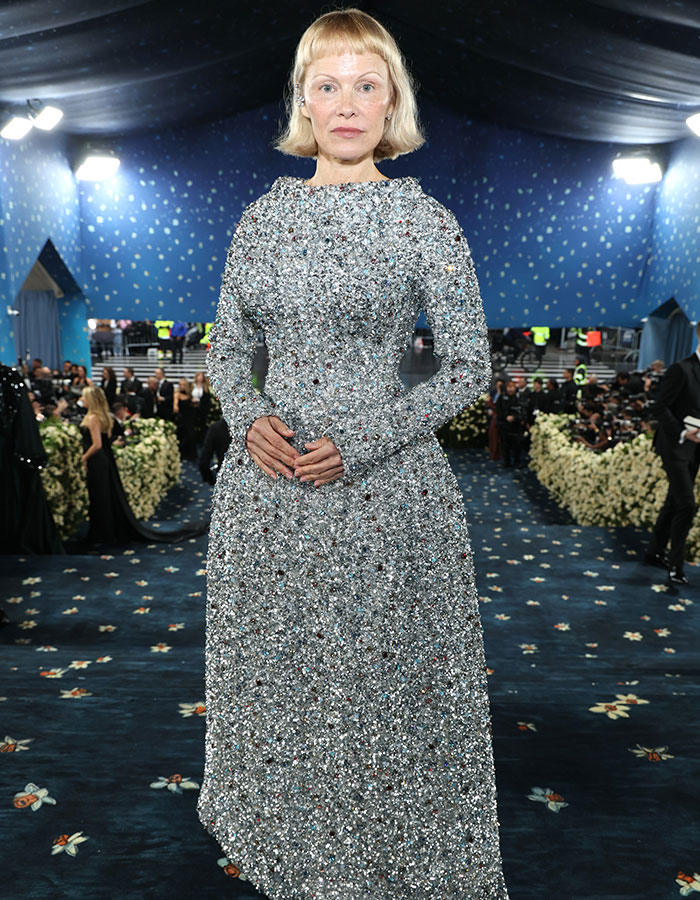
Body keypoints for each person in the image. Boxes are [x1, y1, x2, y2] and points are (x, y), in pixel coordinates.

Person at [197, 10, 511, 900]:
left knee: (379, 686)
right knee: (284, 680)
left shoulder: (425, 223)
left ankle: (383, 859)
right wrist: (248, 413)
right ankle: (288, 844)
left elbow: (467, 366)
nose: (346, 104)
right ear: (303, 98)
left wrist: (362, 442)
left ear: (391, 101)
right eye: (327, 84)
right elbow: (226, 350)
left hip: (385, 490)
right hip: (267, 490)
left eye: (365, 84)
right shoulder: (259, 220)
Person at [79, 386, 207, 545]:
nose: (81, 399)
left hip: (97, 461)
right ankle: (104, 532)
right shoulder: (103, 416)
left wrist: (83, 458)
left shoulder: (92, 418)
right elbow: (108, 438)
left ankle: (101, 533)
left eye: (84, 397)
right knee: (104, 497)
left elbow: (97, 444)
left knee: (100, 498)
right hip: (105, 460)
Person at [644, 322, 700, 586]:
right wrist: (681, 432)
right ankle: (675, 565)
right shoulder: (682, 369)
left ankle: (655, 550)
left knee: (674, 501)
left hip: (695, 448)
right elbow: (660, 407)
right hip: (675, 445)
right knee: (687, 504)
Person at [198, 417, 231, 484]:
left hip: (225, 477)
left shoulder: (216, 427)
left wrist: (210, 479)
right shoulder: (253, 428)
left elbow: (204, 460)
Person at [173, 377, 197, 460]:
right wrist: (176, 407)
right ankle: (183, 455)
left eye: (183, 384)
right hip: (182, 418)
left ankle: (191, 455)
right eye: (180, 384)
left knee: (191, 435)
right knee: (184, 436)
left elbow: (194, 406)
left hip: (191, 417)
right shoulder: (177, 394)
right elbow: (175, 407)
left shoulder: (190, 394)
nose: (181, 386)